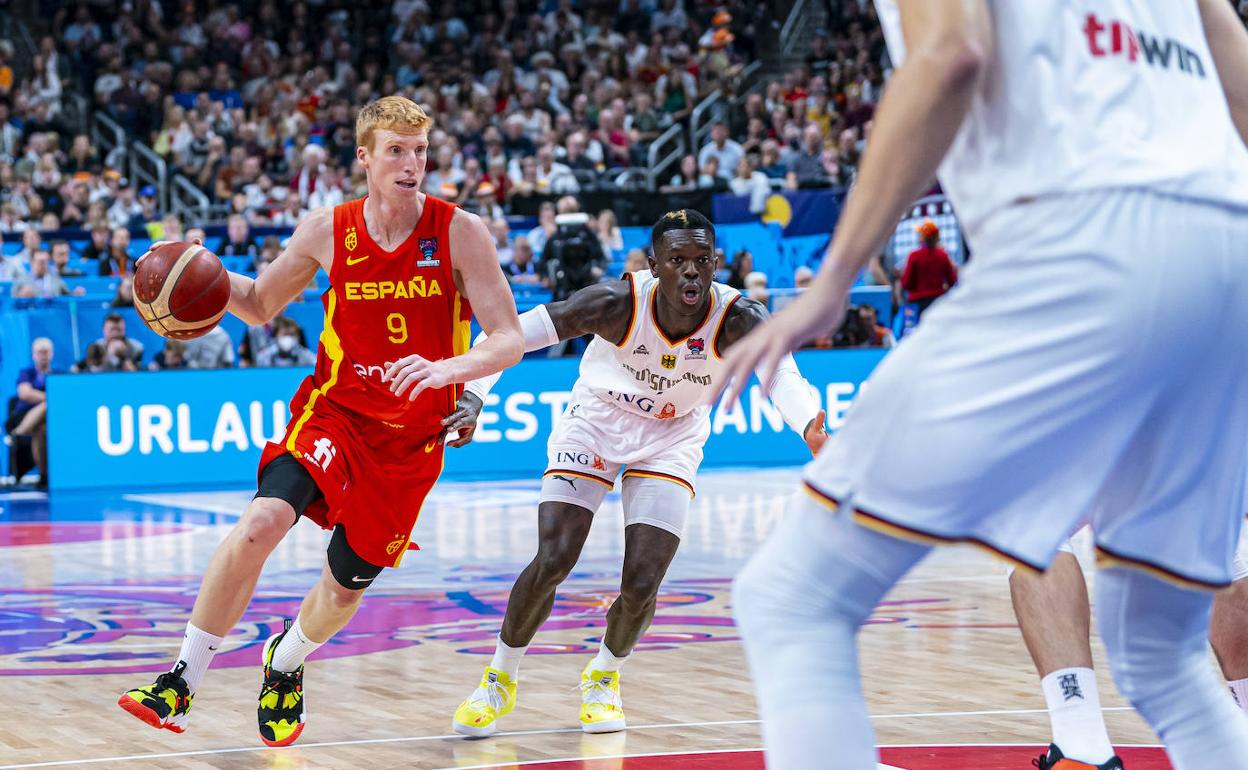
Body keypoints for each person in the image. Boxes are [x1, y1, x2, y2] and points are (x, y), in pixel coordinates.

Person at [717, 1, 1248, 768]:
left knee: (792, 598)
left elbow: (953, 54)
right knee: (1158, 655)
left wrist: (834, 279)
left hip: (1081, 240)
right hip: (1227, 255)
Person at [116, 95, 524, 748]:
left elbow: (508, 337)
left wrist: (452, 375)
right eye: (396, 150)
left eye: (420, 150)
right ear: (364, 157)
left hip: (411, 443)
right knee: (261, 522)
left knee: (342, 590)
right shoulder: (328, 230)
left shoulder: (459, 232)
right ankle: (181, 680)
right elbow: (258, 304)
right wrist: (197, 273)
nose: (411, 163)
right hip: (333, 414)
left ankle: (284, 660)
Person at [448, 209, 827, 737]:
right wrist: (472, 393)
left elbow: (780, 372)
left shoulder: (740, 318)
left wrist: (809, 423)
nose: (691, 273)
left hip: (672, 434)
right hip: (597, 421)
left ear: (716, 263)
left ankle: (603, 676)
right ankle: (499, 678)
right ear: (655, 265)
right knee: (555, 557)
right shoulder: (615, 303)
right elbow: (514, 334)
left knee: (643, 579)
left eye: (701, 261)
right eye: (677, 261)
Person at [6, 337, 53, 487]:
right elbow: (25, 394)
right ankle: (19, 431)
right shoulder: (27, 373)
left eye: (46, 352)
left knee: (41, 429)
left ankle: (44, 476)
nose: (43, 356)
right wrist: (51, 398)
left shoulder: (57, 374)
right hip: (22, 416)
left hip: (48, 421)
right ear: (34, 355)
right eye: (40, 352)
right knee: (46, 405)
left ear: (51, 354)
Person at [900, 219, 957, 317]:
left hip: (916, 304)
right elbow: (952, 281)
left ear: (923, 237)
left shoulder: (914, 256)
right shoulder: (943, 255)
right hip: (938, 302)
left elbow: (906, 284)